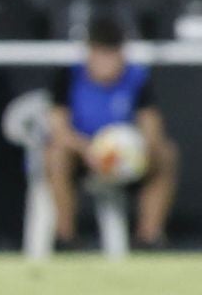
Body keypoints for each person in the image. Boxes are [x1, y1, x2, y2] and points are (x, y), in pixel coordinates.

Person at [47, 16, 178, 248]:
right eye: (101, 55)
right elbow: (59, 129)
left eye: (112, 55)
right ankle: (65, 237)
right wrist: (89, 150)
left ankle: (149, 236)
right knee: (55, 155)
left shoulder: (136, 78)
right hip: (82, 154)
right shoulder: (69, 76)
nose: (106, 63)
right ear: (90, 53)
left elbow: (151, 126)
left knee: (167, 154)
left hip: (126, 158)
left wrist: (134, 150)